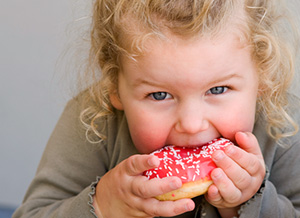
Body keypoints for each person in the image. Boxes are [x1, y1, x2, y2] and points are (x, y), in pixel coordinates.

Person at [13, 0, 300, 217]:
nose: (191, 123)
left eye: (217, 90)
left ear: (263, 77)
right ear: (115, 86)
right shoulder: (94, 119)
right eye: (160, 95)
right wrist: (104, 204)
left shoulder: (285, 125)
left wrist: (250, 202)